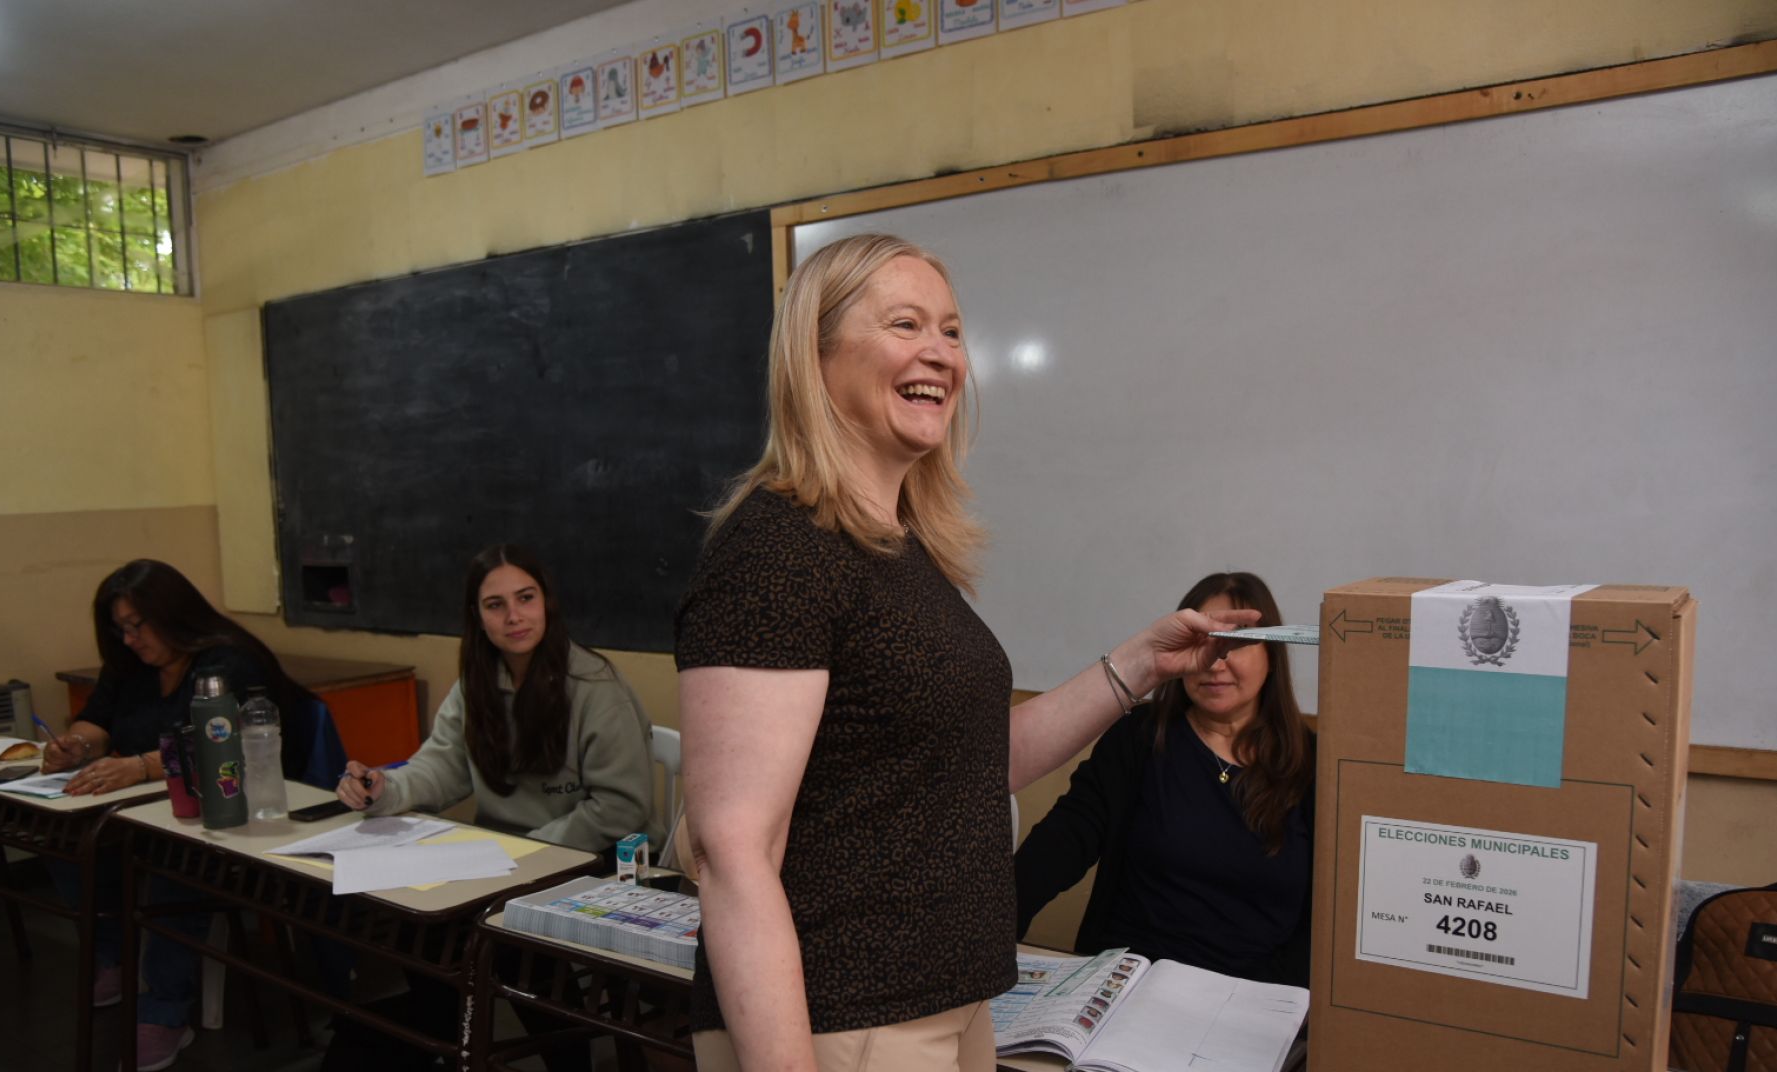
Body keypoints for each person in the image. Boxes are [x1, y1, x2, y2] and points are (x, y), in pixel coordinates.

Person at [675, 233, 1259, 1072]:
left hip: (949, 1000)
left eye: (951, 331)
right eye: (905, 324)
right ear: (816, 353)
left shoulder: (897, 547)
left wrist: (1138, 666)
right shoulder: (779, 549)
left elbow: (968, 764)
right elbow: (731, 852)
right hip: (847, 1018)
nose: (941, 354)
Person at [39, 558, 330, 1071]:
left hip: (232, 811)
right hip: (148, 811)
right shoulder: (131, 665)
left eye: (138, 625)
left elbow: (221, 744)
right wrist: (76, 744)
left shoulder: (227, 663)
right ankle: (114, 955)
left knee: (179, 861)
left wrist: (139, 766)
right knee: (65, 838)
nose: (129, 639)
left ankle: (166, 1009)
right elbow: (97, 719)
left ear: (172, 615)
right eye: (120, 628)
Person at [1014, 572, 1315, 987]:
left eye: (1238, 643)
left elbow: (1324, 921)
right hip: (1129, 984)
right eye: (1205, 640)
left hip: (1251, 998)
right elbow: (1062, 842)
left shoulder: (1313, 762)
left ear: (1272, 653)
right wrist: (985, 931)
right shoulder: (1139, 737)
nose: (1216, 661)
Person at [337, 543, 659, 852]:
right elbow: (440, 767)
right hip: (507, 858)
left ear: (546, 602)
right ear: (477, 616)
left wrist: (529, 851)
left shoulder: (596, 686)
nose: (513, 616)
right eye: (495, 605)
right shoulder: (476, 685)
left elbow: (620, 807)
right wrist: (384, 789)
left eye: (526, 598)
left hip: (599, 861)